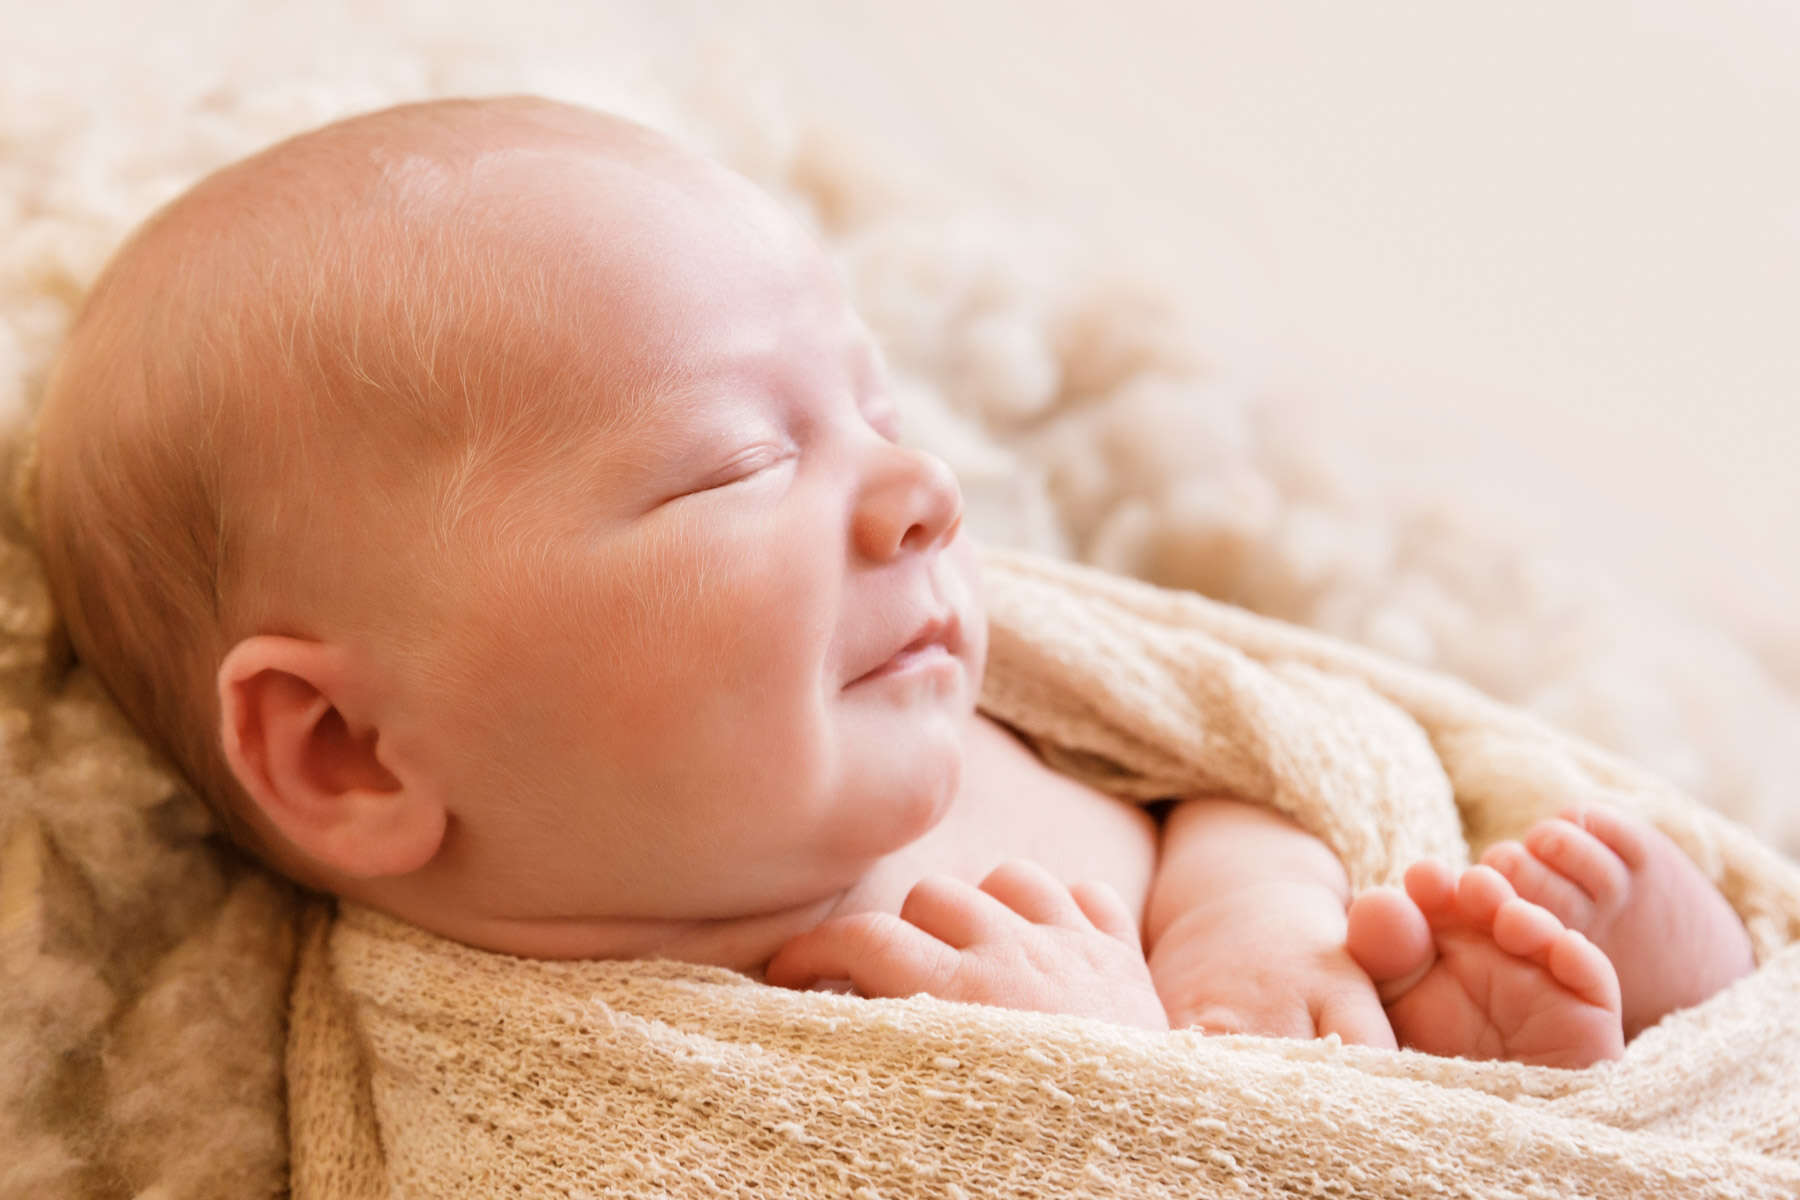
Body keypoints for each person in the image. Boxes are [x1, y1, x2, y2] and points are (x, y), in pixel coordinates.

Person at [30, 96, 1754, 1068]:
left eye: (876, 411)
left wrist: (1253, 924)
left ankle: (1693, 1011)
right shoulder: (561, 1085)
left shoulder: (984, 716)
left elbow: (1247, 765)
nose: (924, 494)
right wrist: (1096, 1110)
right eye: (736, 460)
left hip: (1471, 1101)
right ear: (351, 750)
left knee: (1607, 936)